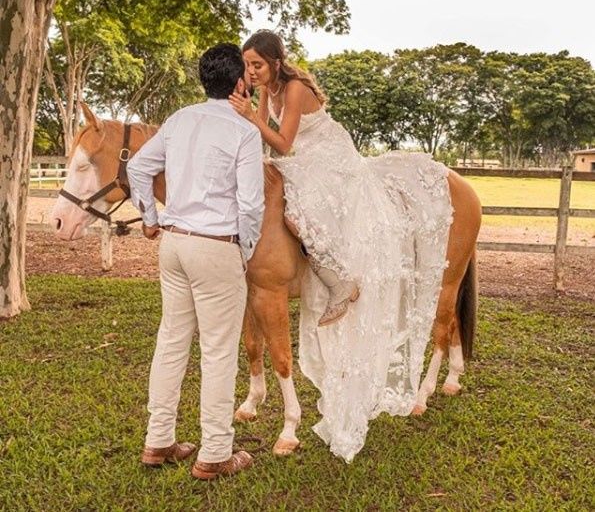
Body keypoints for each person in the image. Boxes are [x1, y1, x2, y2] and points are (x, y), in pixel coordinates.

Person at [229, 30, 453, 462]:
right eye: (247, 65)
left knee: (297, 210)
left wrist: (251, 117)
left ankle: (339, 280)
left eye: (257, 64)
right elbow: (262, 140)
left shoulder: (293, 88)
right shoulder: (265, 91)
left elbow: (284, 142)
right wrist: (247, 113)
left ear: (276, 62)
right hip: (300, 161)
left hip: (330, 161)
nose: (251, 71)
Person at [127, 43, 264, 479]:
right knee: (218, 350)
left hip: (174, 243)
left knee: (171, 340)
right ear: (239, 82)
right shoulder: (244, 131)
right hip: (216, 245)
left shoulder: (179, 119)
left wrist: (150, 216)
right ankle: (216, 452)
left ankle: (159, 440)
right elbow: (251, 203)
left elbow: (137, 168)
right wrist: (244, 249)